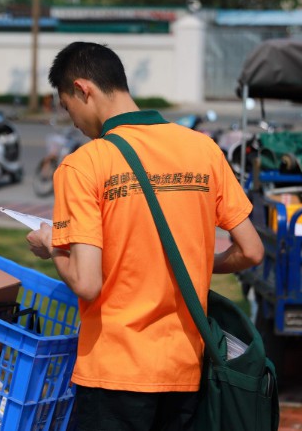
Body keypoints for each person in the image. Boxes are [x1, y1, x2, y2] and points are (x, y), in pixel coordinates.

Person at [26, 42, 264, 431]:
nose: (73, 123)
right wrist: (195, 264)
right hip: (185, 368)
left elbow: (87, 284)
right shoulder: (202, 149)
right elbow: (251, 251)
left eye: (69, 108)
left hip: (114, 370)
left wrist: (51, 245)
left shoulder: (85, 164)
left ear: (83, 89)